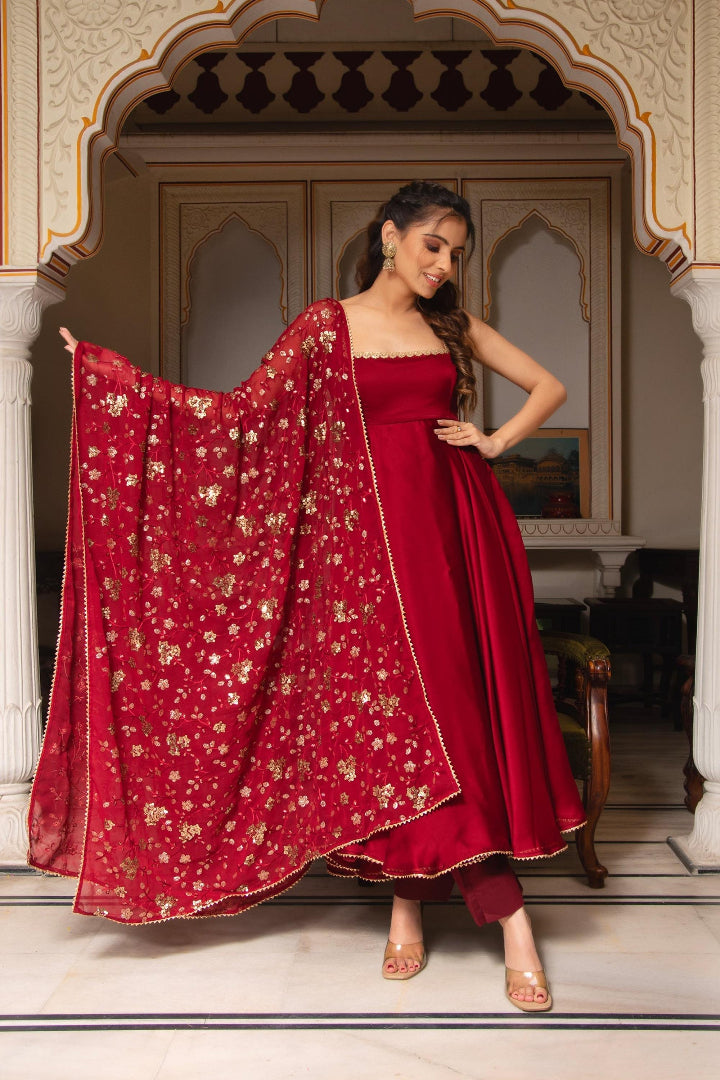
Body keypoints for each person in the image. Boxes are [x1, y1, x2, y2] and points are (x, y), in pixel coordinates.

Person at [31, 181, 584, 1014]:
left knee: (455, 714)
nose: (444, 264)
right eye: (434, 244)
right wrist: (118, 387)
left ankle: (478, 915)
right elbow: (241, 420)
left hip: (456, 536)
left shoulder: (448, 327)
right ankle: (442, 907)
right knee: (403, 725)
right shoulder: (325, 327)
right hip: (364, 559)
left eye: (457, 253)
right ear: (390, 235)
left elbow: (548, 385)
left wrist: (494, 441)